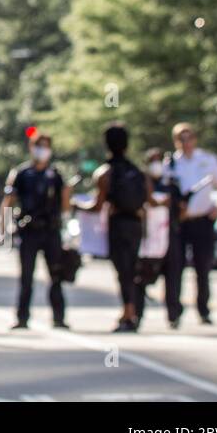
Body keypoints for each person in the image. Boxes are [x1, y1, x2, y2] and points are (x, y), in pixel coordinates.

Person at [75, 123, 153, 332]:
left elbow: (97, 205)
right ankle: (134, 311)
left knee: (123, 272)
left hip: (118, 224)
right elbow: (149, 200)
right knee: (133, 269)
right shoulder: (138, 172)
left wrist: (76, 204)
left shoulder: (105, 173)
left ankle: (128, 313)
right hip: (136, 225)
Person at [163, 122, 217, 327]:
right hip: (179, 223)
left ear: (195, 139)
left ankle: (203, 310)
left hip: (202, 220)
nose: (186, 142)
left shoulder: (207, 160)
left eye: (189, 137)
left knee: (203, 266)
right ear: (176, 141)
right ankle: (174, 312)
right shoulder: (170, 164)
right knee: (175, 267)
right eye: (181, 139)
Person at [2, 131, 70, 330]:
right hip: (29, 231)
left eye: (46, 146)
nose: (42, 150)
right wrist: (3, 224)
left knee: (56, 275)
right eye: (39, 145)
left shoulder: (55, 175)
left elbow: (65, 204)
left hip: (51, 230)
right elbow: (9, 200)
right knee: (26, 277)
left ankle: (59, 317)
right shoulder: (22, 173)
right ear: (31, 148)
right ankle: (22, 318)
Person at [133, 147, 179, 325]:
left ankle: (173, 315)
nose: (156, 164)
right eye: (152, 160)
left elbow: (180, 209)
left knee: (173, 276)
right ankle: (137, 314)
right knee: (141, 277)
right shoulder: (141, 184)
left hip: (169, 236)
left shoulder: (171, 185)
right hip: (146, 237)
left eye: (159, 160)